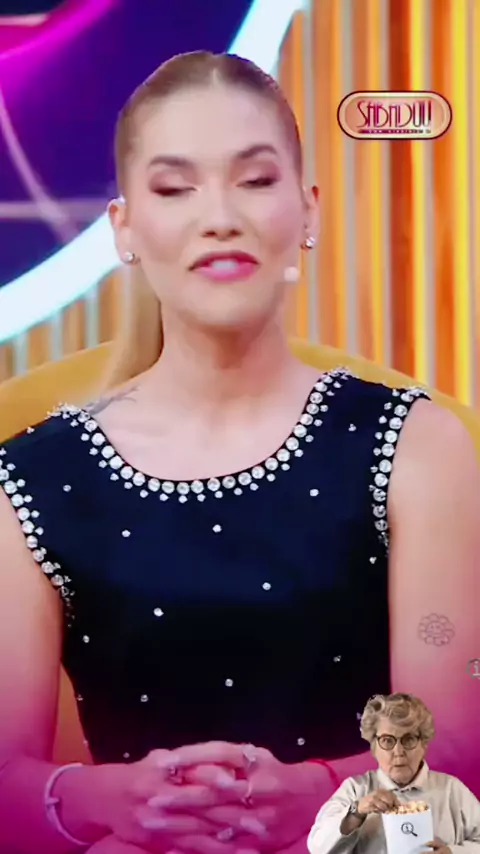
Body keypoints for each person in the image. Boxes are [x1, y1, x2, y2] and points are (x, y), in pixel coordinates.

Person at [0, 50, 478, 854]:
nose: (219, 216)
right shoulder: (29, 478)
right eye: (174, 188)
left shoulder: (416, 445)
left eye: (254, 180)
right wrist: (106, 799)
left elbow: (460, 763)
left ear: (308, 209)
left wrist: (321, 799)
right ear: (124, 228)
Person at [307, 693, 480, 854]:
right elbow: (317, 847)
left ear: (424, 744)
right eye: (387, 740)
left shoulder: (451, 790)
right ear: (374, 747)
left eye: (409, 739)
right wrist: (356, 812)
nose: (398, 751)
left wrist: (452, 852)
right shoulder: (356, 789)